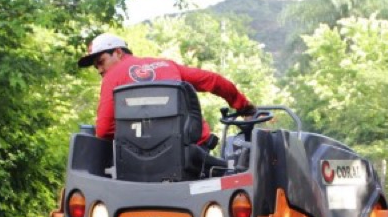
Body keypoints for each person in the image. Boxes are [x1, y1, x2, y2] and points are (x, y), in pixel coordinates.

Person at [77, 33, 255, 145]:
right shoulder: (166, 65)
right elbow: (213, 80)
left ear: (118, 52)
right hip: (191, 147)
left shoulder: (112, 77)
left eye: (101, 62)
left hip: (139, 156)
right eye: (96, 67)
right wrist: (243, 106)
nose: (100, 70)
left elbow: (104, 131)